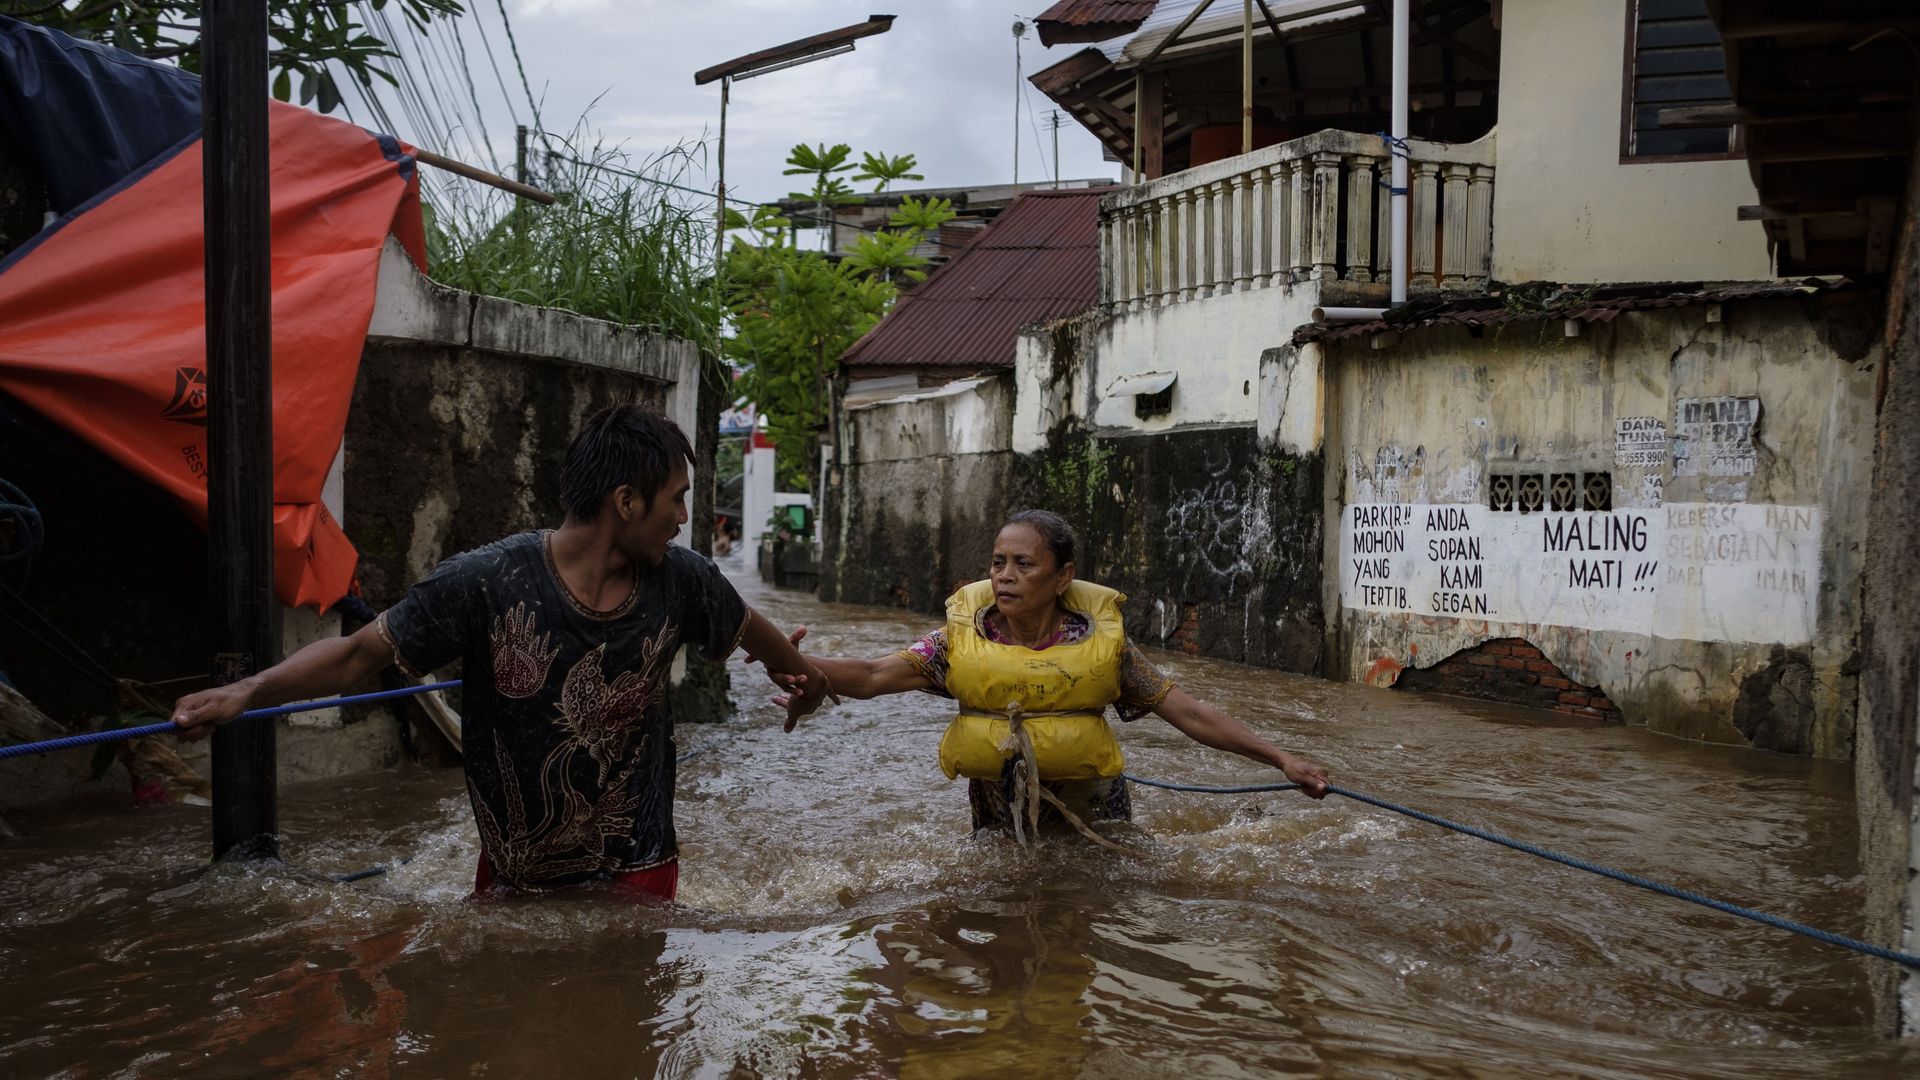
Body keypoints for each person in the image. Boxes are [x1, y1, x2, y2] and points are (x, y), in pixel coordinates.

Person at [171, 403, 832, 901]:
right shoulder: (483, 583)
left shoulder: (681, 580)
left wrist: (800, 675)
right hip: (516, 884)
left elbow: (747, 624)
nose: (685, 518)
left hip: (643, 875)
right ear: (625, 503)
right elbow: (356, 657)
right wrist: (246, 692)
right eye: (677, 500)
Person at [762, 509, 1328, 839]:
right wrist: (789, 663)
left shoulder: (1101, 647)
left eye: (1024, 564)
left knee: (1083, 915)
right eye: (997, 563)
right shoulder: (962, 641)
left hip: (1093, 811)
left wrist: (1282, 760)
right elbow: (869, 675)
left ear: (1063, 577)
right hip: (998, 808)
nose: (1005, 577)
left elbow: (1190, 715)